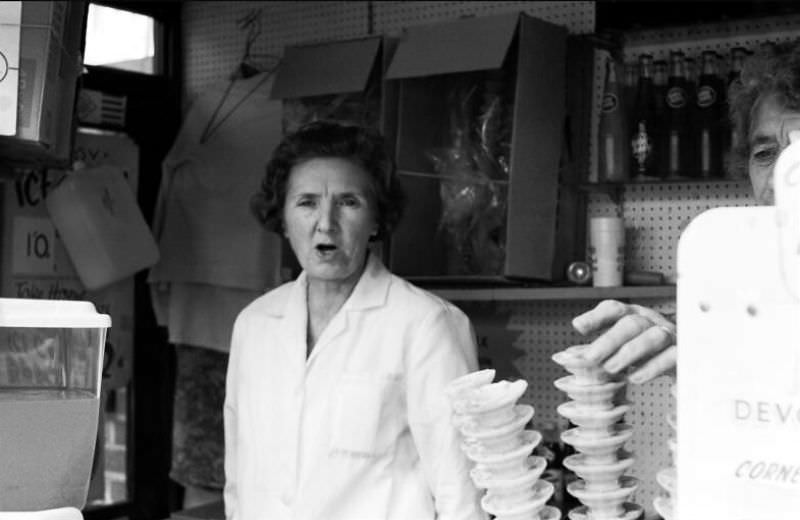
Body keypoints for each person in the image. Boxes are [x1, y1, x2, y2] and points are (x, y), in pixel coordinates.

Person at [223, 121, 485, 519]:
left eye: (348, 202)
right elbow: (239, 479)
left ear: (377, 221)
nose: (325, 223)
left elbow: (460, 490)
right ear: (282, 219)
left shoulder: (426, 325)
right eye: (307, 202)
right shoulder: (254, 325)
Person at [566, 40, 798, 383]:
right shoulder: (743, 269)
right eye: (765, 154)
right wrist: (682, 337)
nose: (783, 177)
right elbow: (723, 329)